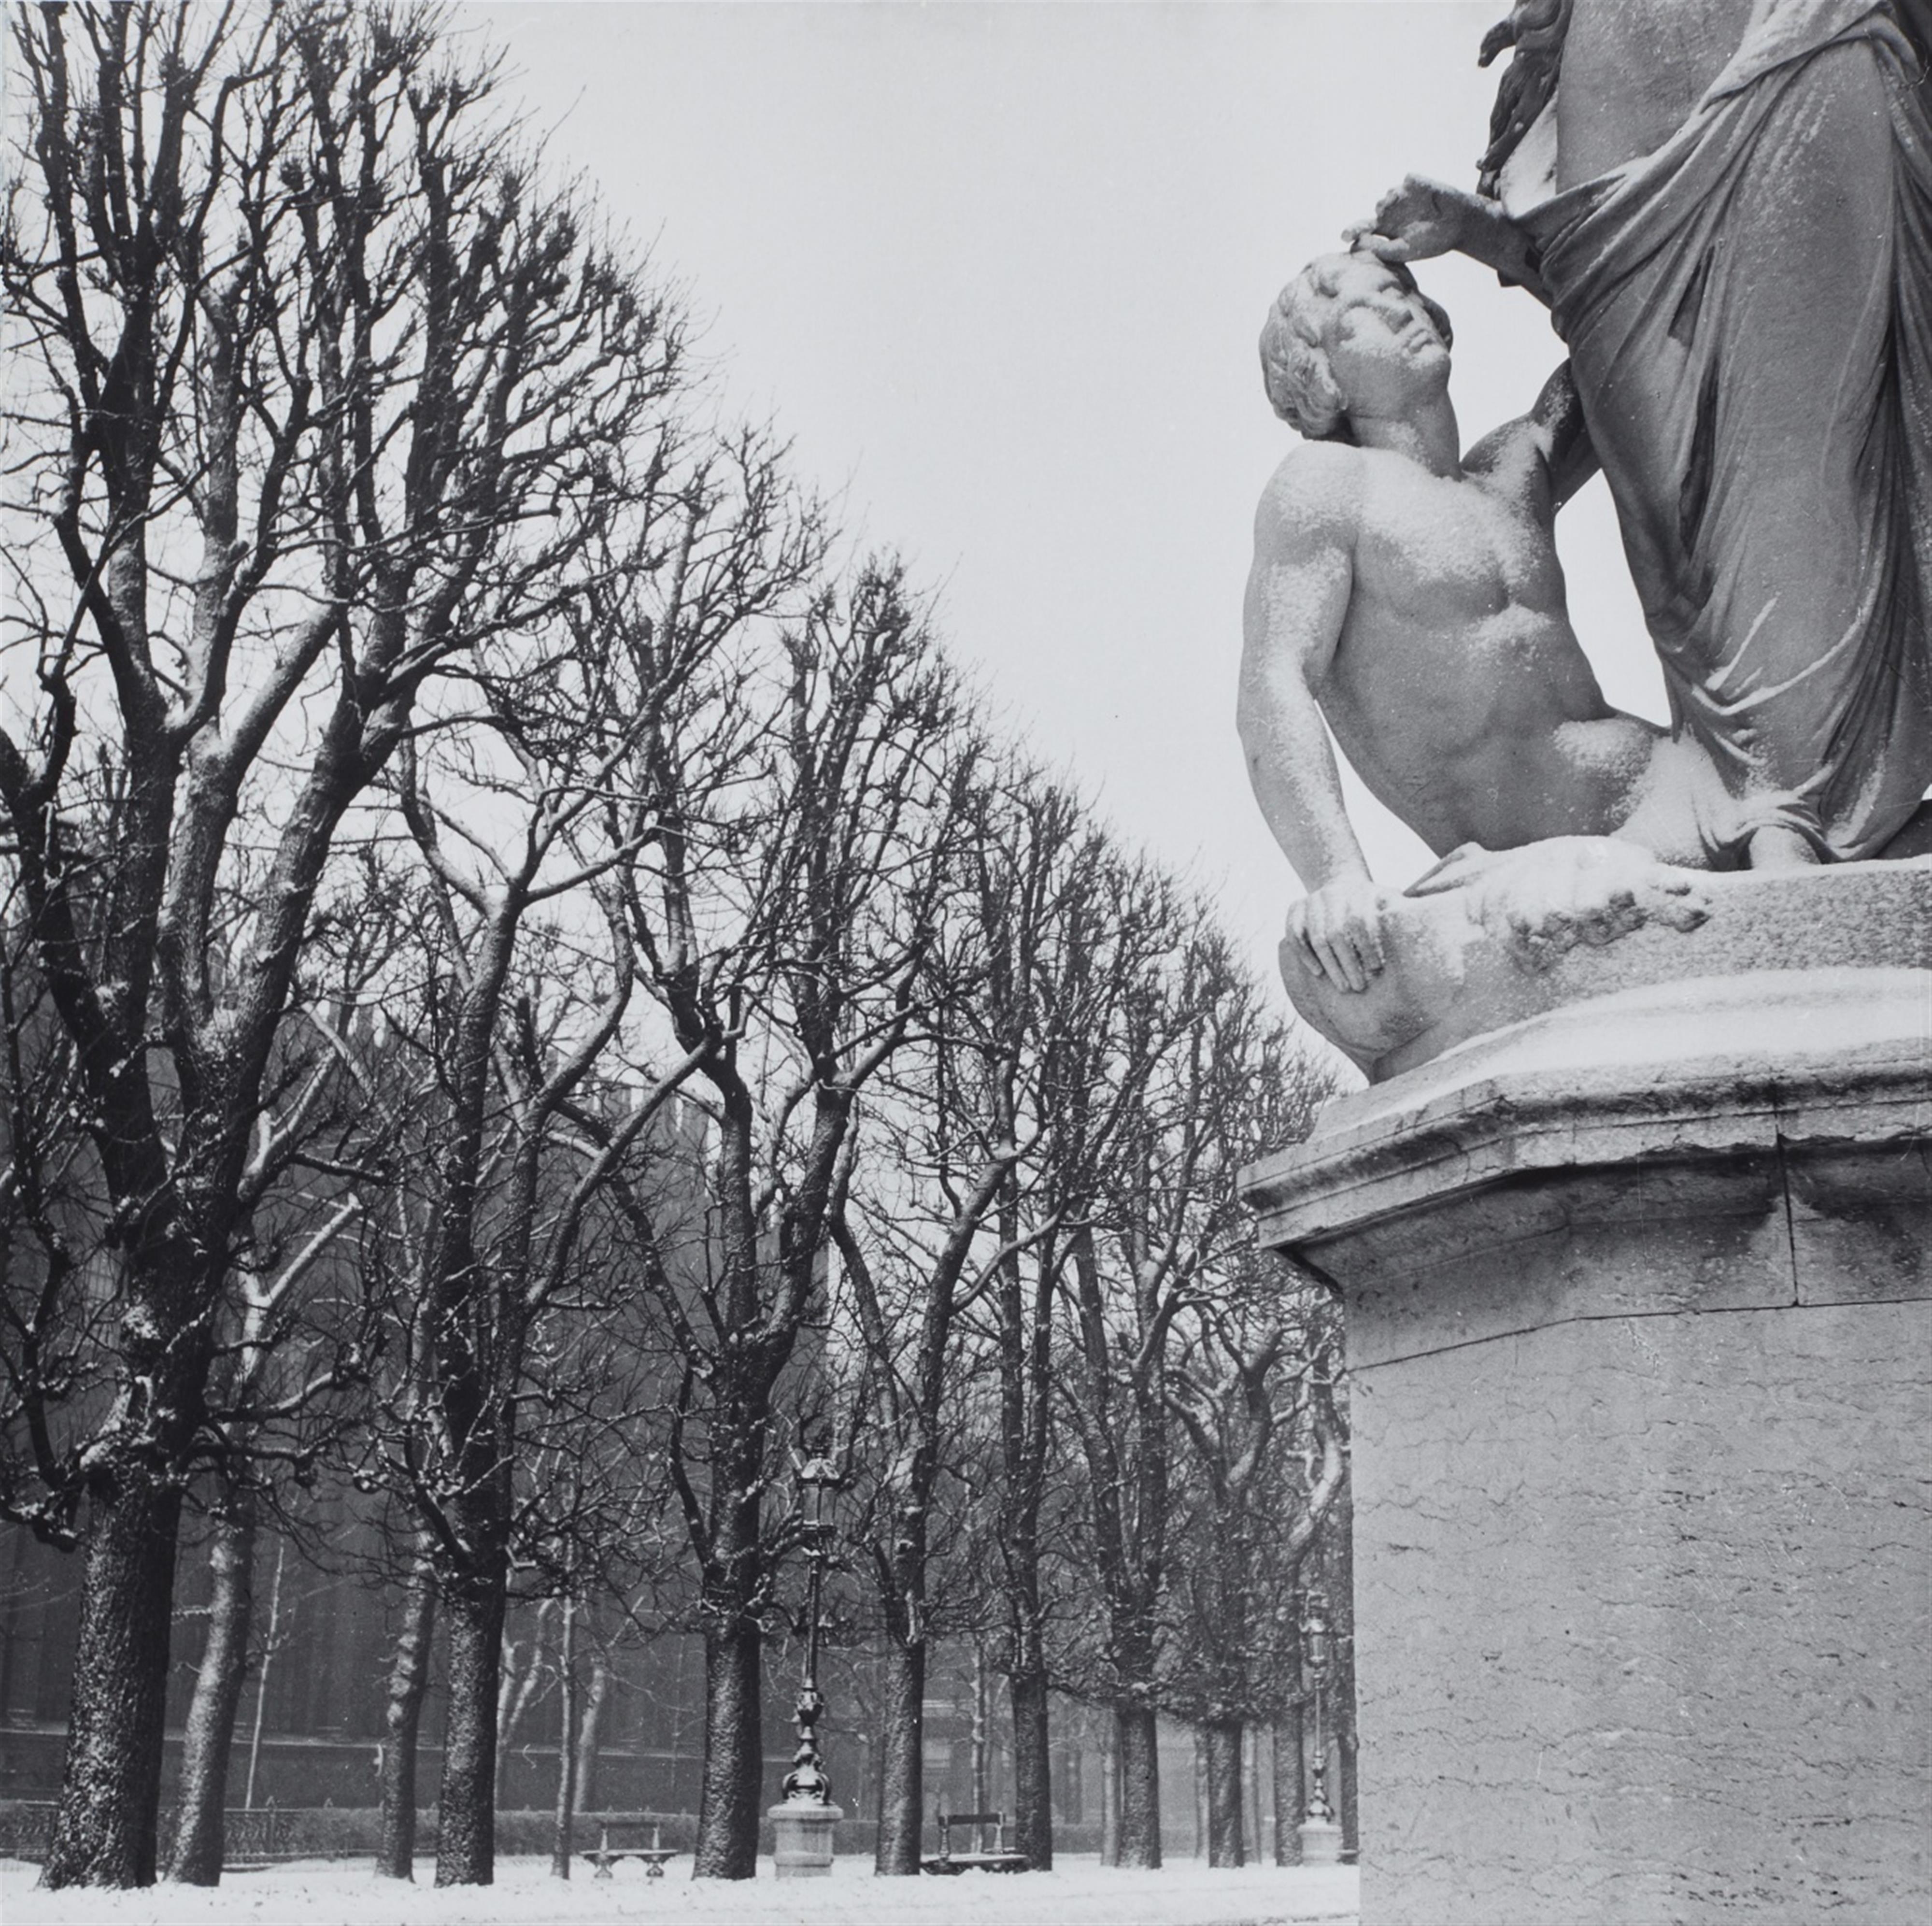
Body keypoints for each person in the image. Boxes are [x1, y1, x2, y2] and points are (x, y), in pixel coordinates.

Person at [1352, 0, 1932, 870]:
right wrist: (1481, 230)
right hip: (1619, 126)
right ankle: (1772, 815)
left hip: (1804, 46)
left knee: (1808, 477)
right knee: (1682, 525)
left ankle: (1792, 819)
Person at [1239, 251, 1733, 994]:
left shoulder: (1513, 471)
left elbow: (1625, 331)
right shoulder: (1329, 486)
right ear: (1324, 374)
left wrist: (1488, 237)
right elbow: (1274, 681)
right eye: (1363, 312)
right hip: (1565, 848)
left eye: (1401, 288)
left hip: (1676, 785)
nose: (1402, 308)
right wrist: (1337, 876)